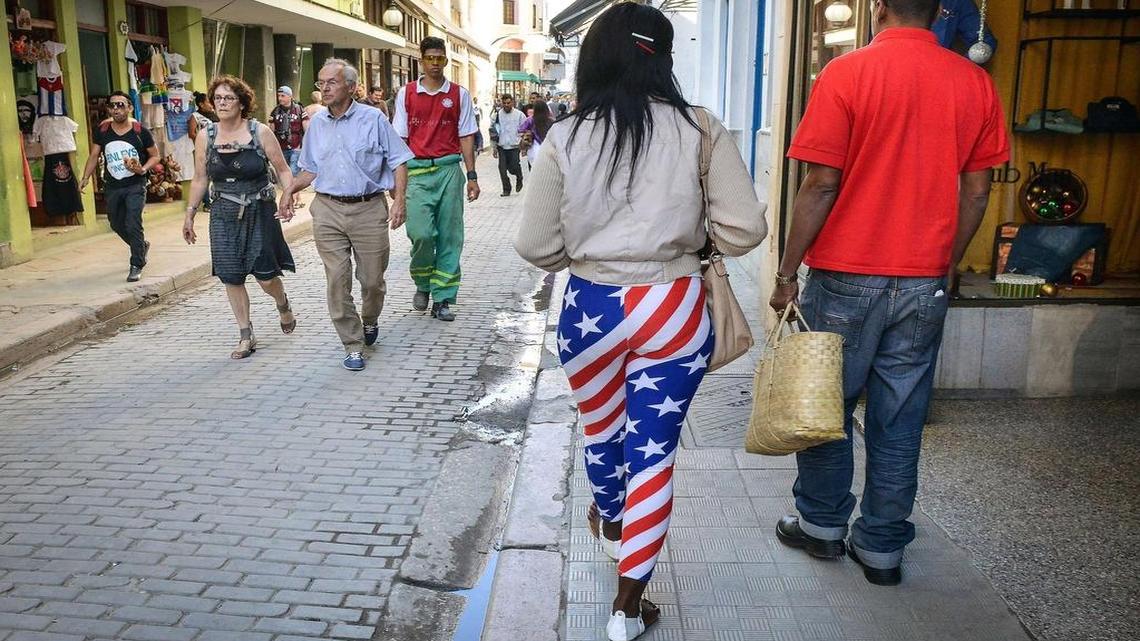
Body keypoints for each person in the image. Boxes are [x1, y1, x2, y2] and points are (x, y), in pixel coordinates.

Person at [514, 4, 767, 640]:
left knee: (601, 435)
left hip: (589, 308)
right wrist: (690, 242)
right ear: (665, 59)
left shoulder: (566, 136)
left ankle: (612, 526)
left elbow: (535, 245)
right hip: (673, 307)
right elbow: (745, 229)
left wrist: (587, 249)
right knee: (652, 456)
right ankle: (628, 606)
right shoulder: (701, 129)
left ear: (594, 59)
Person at [767, 0, 1008, 587]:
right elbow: (976, 195)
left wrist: (785, 271)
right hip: (924, 281)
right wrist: (944, 264)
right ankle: (880, 548)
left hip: (845, 276)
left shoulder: (846, 75)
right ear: (938, 14)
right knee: (900, 417)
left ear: (878, 10)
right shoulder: (974, 82)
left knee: (829, 410)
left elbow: (821, 182)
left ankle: (822, 527)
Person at [279, 58, 413, 371]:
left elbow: (399, 160)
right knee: (337, 280)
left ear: (350, 87)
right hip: (327, 209)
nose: (324, 88)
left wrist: (400, 201)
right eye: (321, 83)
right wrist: (289, 190)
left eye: (332, 82)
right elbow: (309, 169)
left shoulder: (373, 119)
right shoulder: (317, 124)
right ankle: (352, 343)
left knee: (371, 281)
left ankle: (369, 320)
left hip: (368, 208)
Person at [182, 75, 298, 360]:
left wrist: (288, 194)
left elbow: (283, 169)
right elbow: (200, 178)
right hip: (223, 212)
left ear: (242, 102)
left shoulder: (259, 132)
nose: (221, 103)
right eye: (217, 98)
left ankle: (282, 303)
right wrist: (190, 213)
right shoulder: (205, 136)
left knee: (266, 277)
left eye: (228, 98)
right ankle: (246, 334)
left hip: (259, 209)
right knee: (231, 275)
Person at [391, 37, 481, 322]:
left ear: (445, 61)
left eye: (439, 58)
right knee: (421, 234)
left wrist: (472, 176)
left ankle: (442, 297)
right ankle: (422, 283)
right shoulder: (406, 94)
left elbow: (466, 135)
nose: (434, 63)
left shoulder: (458, 94)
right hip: (416, 172)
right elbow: (400, 141)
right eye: (429, 58)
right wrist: (397, 184)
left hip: (448, 171)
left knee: (450, 236)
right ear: (421, 60)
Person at [79, 90, 160, 282]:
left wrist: (143, 169)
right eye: (112, 105)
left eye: (121, 105)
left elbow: (155, 155)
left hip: (135, 185)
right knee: (115, 223)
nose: (116, 109)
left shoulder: (140, 131)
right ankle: (140, 245)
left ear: (130, 108)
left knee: (133, 222)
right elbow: (94, 155)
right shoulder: (103, 131)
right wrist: (85, 177)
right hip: (113, 185)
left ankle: (136, 263)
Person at [268, 86, 308, 176]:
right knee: (283, 173)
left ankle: (294, 189)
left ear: (290, 96)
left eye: (283, 96)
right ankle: (288, 190)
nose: (280, 98)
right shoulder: (275, 111)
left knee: (293, 172)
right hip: (281, 147)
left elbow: (307, 129)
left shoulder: (299, 110)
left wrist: (305, 145)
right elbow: (271, 130)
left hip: (296, 146)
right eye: (279, 96)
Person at [493, 94, 525, 197]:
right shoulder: (497, 115)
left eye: (508, 103)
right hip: (501, 146)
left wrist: (523, 145)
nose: (506, 105)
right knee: (502, 169)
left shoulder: (519, 115)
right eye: (504, 103)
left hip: (514, 146)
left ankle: (519, 176)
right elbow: (493, 131)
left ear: (512, 102)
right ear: (501, 103)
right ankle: (506, 189)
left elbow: (525, 129)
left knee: (513, 167)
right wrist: (494, 147)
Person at [518, 99, 553, 168]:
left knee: (534, 170)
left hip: (534, 148)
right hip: (547, 148)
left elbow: (520, 130)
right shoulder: (551, 121)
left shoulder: (530, 120)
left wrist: (528, 132)